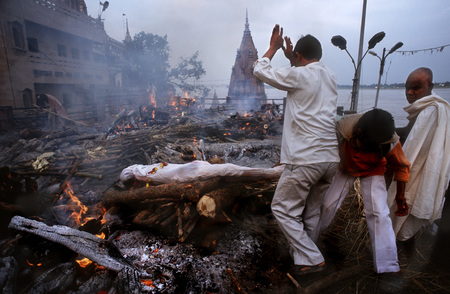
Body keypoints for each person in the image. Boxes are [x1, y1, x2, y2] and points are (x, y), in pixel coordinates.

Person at [253, 24, 340, 275]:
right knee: (310, 213)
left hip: (306, 159)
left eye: (296, 58)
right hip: (329, 160)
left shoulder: (300, 76)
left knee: (281, 208)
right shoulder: (330, 75)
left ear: (299, 56)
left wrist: (272, 48)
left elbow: (260, 70)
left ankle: (312, 258)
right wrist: (294, 60)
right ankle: (303, 261)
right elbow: (303, 79)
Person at [313, 109, 410, 291]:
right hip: (345, 167)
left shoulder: (388, 139)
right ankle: (308, 247)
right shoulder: (341, 130)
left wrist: (400, 196)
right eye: (368, 145)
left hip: (373, 170)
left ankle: (388, 267)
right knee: (327, 205)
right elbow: (321, 154)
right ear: (358, 134)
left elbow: (401, 166)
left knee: (379, 214)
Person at [388, 67, 450, 242]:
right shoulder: (425, 108)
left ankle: (397, 242)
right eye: (407, 87)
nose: (409, 92)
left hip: (418, 167)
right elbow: (410, 133)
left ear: (430, 86)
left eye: (416, 88)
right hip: (415, 167)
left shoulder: (432, 110)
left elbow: (413, 142)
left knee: (409, 198)